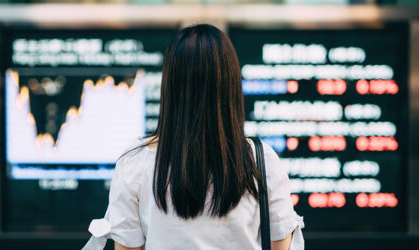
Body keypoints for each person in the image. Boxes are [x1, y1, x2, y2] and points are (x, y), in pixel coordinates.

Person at [83, 24, 304, 250]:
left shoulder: (135, 163)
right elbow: (280, 245)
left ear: (170, 86)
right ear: (230, 86)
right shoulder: (262, 161)